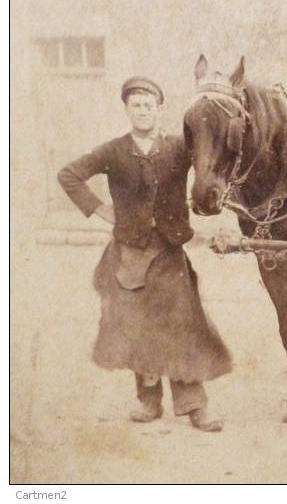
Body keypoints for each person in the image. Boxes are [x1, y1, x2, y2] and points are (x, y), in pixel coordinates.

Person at [58, 76, 231, 431]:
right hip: (129, 253)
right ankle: (149, 402)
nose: (142, 110)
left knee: (182, 325)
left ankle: (194, 406)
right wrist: (99, 208)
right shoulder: (113, 150)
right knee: (138, 327)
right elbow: (69, 175)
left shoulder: (178, 147)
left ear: (159, 108)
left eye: (148, 104)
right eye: (135, 105)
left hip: (169, 250)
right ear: (126, 109)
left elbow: (210, 165)